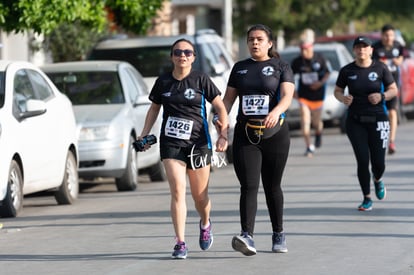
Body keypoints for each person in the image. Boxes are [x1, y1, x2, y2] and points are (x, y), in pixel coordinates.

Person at [138, 38, 229, 259]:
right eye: (178, 52)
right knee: (178, 190)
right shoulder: (163, 82)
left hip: (198, 143)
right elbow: (154, 109)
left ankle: (205, 223)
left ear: (193, 57)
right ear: (172, 56)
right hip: (171, 143)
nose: (182, 56)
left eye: (187, 52)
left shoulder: (201, 79)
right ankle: (180, 242)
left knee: (200, 197)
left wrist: (223, 133)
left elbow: (220, 106)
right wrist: (144, 133)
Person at [217, 24, 294, 255]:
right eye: (251, 39)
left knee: (272, 186)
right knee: (249, 185)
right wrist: (220, 120)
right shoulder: (240, 68)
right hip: (246, 134)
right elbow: (228, 100)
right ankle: (247, 236)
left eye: (260, 39)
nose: (255, 43)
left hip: (275, 134)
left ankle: (278, 233)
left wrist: (275, 111)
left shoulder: (281, 66)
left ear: (269, 43)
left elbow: (288, 96)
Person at [334, 36, 398, 211]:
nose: (362, 50)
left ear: (371, 50)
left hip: (378, 119)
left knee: (379, 163)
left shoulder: (381, 68)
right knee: (362, 160)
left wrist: (382, 96)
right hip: (355, 121)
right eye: (358, 47)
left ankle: (378, 179)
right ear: (354, 50)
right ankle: (366, 198)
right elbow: (337, 91)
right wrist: (343, 98)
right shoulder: (347, 70)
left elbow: (394, 90)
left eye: (365, 47)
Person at [291, 30, 330, 157]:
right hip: (304, 96)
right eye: (301, 49)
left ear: (311, 47)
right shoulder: (297, 62)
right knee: (305, 119)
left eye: (306, 49)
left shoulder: (319, 58)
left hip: (318, 96)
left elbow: (328, 73)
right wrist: (293, 91)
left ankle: (318, 133)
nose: (304, 52)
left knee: (316, 123)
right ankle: (309, 146)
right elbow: (289, 77)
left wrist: (320, 83)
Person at [372, 24, 405, 155]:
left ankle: (391, 141)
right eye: (386, 35)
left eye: (391, 35)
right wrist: (380, 65)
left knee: (392, 112)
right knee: (379, 114)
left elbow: (401, 58)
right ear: (382, 35)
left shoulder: (398, 46)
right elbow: (370, 63)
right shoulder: (375, 47)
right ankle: (378, 138)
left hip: (392, 86)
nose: (388, 38)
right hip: (378, 86)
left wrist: (398, 61)